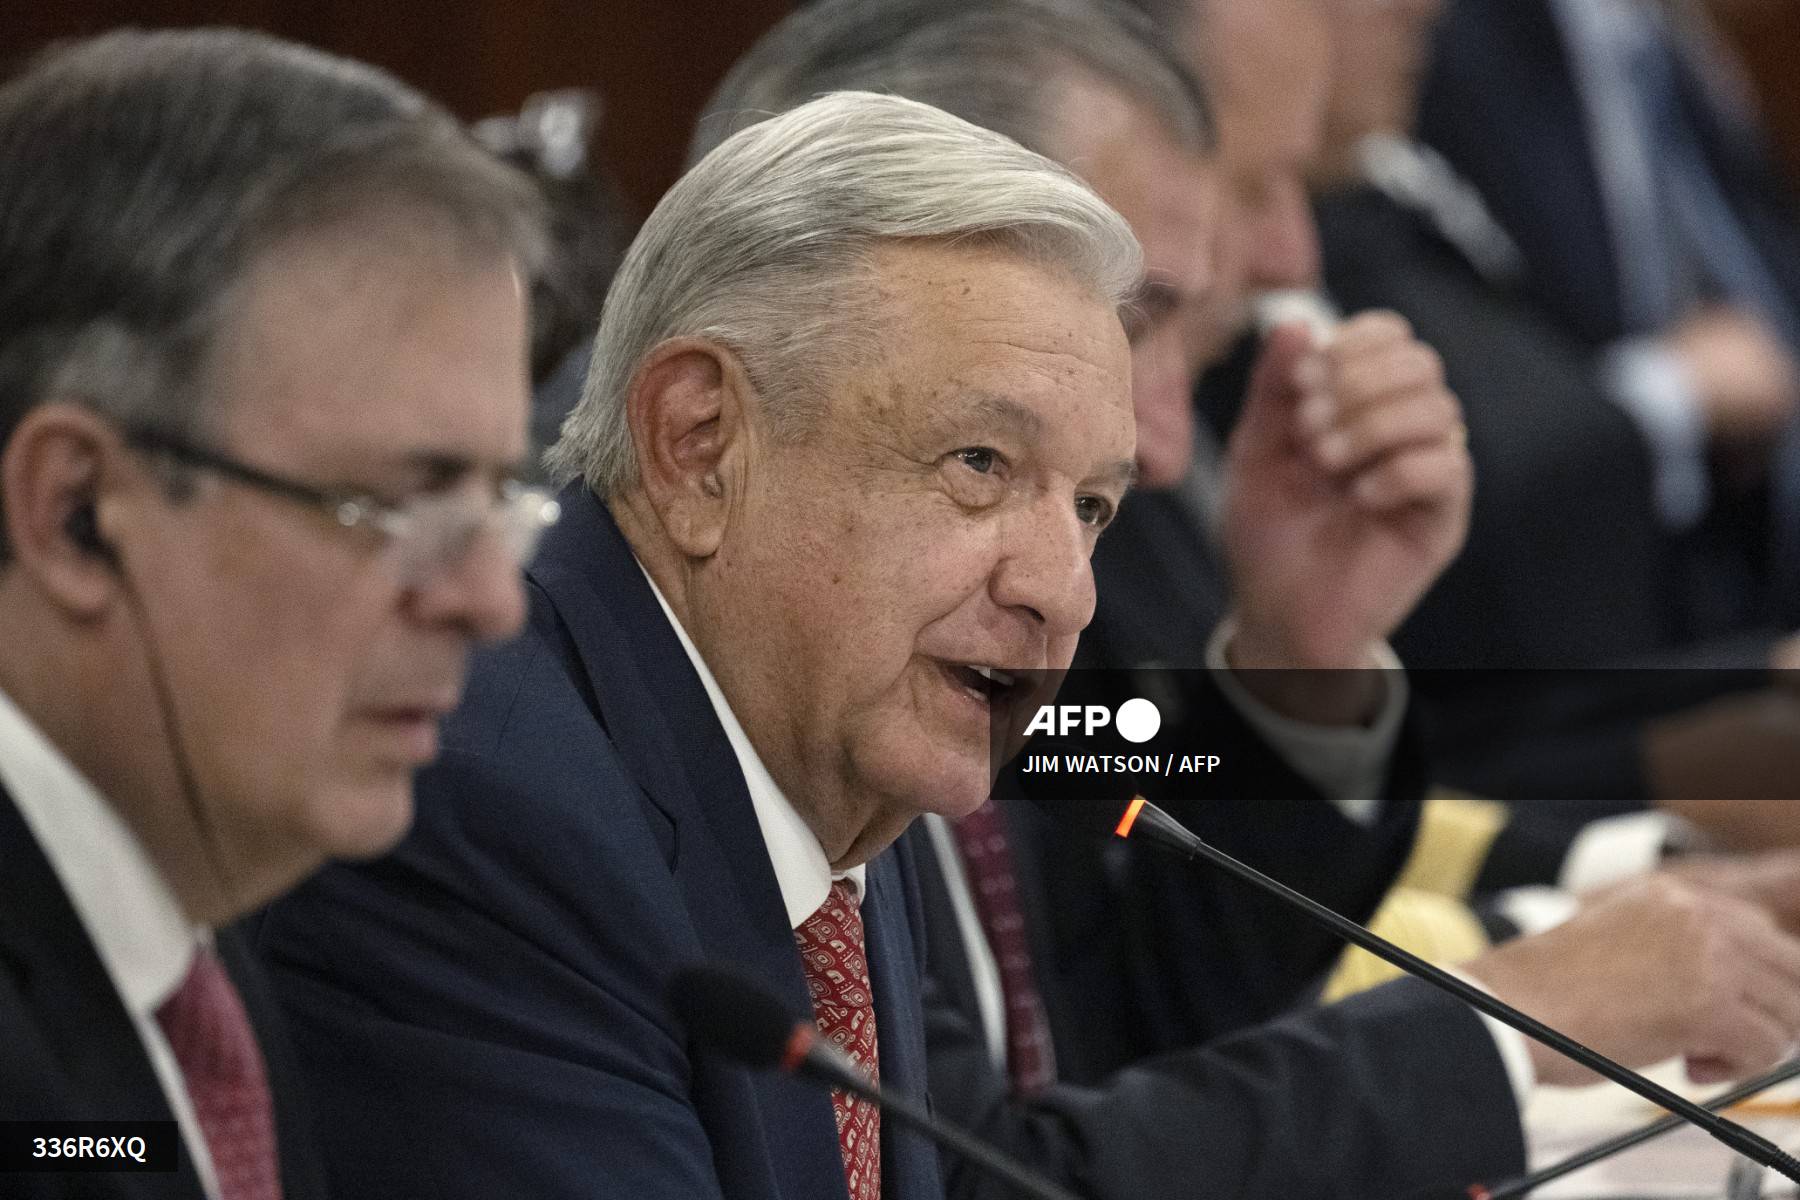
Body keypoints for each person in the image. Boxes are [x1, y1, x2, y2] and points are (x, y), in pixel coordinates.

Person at [0, 28, 551, 1200]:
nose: (492, 600)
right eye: (397, 500)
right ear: (76, 512)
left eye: (496, 500)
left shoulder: (206, 921)